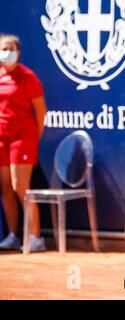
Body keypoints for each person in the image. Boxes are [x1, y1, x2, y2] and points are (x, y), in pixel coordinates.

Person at [0, 34, 47, 252]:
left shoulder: (28, 77)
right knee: (6, 187)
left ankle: (36, 237)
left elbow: (40, 111)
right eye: (2, 48)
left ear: (18, 52)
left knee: (21, 187)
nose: (6, 52)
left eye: (10, 48)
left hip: (23, 137)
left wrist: (33, 140)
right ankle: (12, 235)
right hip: (2, 138)